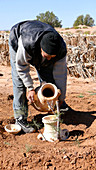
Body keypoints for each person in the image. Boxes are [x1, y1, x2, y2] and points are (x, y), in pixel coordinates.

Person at [9, 20, 67, 133]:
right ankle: (20, 118)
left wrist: (61, 98)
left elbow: (61, 75)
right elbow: (21, 67)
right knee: (19, 82)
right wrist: (30, 88)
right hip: (17, 38)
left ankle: (55, 107)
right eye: (47, 55)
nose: (49, 58)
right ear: (41, 49)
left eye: (52, 56)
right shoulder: (27, 43)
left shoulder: (61, 50)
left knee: (49, 80)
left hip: (37, 45)